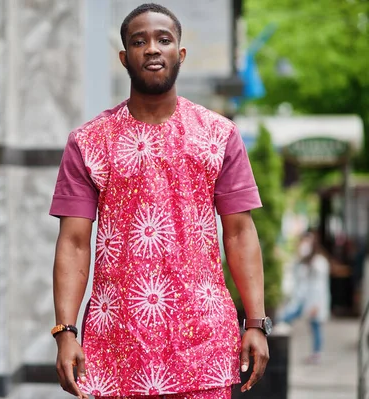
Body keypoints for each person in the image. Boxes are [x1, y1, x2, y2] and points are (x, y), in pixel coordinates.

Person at [49, 4, 270, 399]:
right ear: (124, 58)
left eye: (163, 39)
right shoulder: (88, 142)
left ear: (179, 54)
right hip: (115, 346)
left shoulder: (220, 135)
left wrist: (255, 321)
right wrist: (65, 331)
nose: (152, 49)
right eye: (139, 41)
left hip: (202, 345)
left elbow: (239, 233)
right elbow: (73, 242)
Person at [277, 230, 330, 364]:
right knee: (308, 324)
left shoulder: (319, 263)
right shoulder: (305, 262)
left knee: (315, 326)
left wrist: (316, 305)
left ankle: (316, 353)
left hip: (314, 301)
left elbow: (319, 287)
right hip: (303, 299)